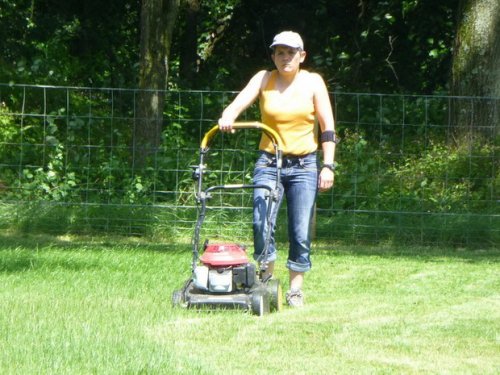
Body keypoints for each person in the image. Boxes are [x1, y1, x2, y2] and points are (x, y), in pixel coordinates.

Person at [218, 31, 337, 307]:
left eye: (291, 53)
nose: (285, 57)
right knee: (262, 221)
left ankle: (295, 288)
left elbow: (327, 128)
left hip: (304, 164)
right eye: (280, 52)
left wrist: (328, 165)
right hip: (269, 162)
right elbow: (238, 103)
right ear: (273, 56)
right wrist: (228, 116)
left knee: (299, 229)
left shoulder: (313, 82)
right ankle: (266, 280)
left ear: (302, 56)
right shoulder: (264, 79)